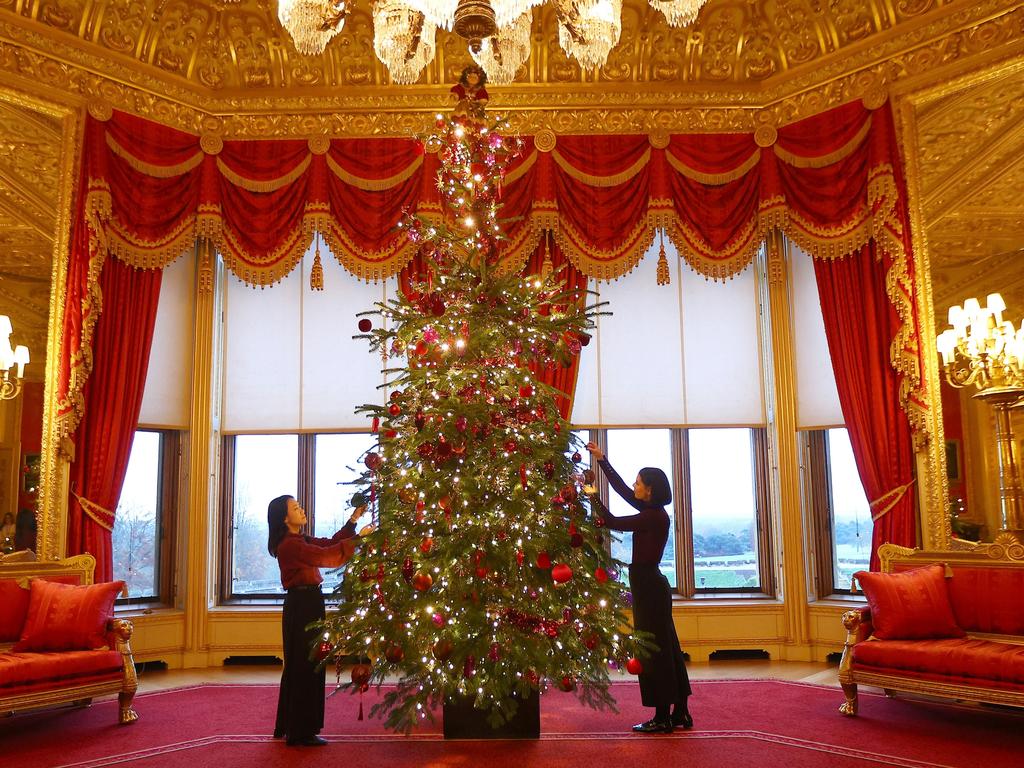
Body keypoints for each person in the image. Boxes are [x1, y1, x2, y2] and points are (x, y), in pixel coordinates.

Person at [585, 441, 692, 734]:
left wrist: (590, 495)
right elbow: (621, 489)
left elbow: (611, 521)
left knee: (652, 651)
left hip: (648, 586)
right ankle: (680, 711)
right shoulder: (652, 511)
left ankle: (662, 717)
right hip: (652, 585)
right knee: (667, 648)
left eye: (639, 482)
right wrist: (601, 460)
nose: (634, 485)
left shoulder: (652, 516)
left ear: (650, 489)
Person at [268, 495, 363, 746]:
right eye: (296, 508)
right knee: (305, 666)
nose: (302, 510)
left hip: (306, 603)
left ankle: (291, 725)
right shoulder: (291, 545)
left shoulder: (299, 540)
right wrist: (360, 539)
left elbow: (330, 543)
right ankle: (301, 733)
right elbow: (330, 556)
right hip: (303, 606)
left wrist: (352, 522)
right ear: (285, 518)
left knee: (302, 665)